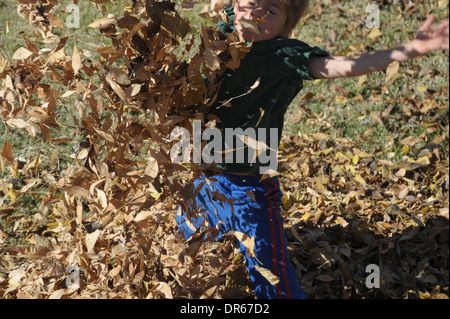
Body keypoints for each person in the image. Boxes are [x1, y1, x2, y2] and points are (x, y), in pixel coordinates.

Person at [176, 0, 449, 299]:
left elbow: (340, 66)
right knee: (188, 260)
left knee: (273, 280)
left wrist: (409, 50)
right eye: (252, 3)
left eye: (271, 10)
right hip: (200, 180)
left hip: (251, 188)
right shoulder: (222, 31)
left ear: (287, 27)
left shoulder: (282, 55)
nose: (256, 14)